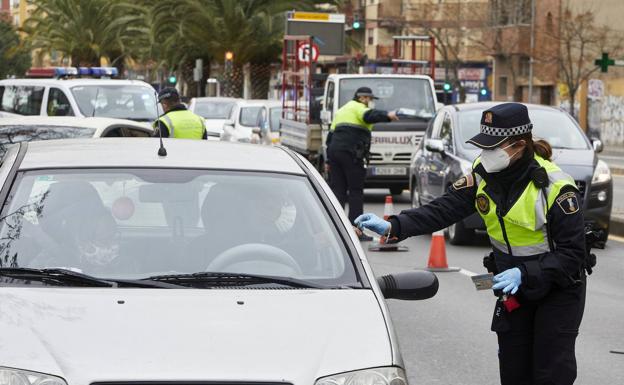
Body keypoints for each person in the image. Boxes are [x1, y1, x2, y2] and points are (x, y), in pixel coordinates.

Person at [355, 103, 587, 385]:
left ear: (518, 145)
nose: (485, 153)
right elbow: (444, 209)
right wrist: (395, 226)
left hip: (557, 289)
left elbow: (573, 255)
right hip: (512, 288)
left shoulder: (555, 188)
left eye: (493, 147)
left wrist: (525, 273)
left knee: (550, 373)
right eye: (484, 146)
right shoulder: (482, 174)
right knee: (514, 372)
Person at [327, 86, 398, 241]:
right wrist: (387, 115)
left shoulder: (342, 110)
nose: (369, 102)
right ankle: (356, 230)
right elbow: (369, 116)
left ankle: (334, 229)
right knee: (355, 191)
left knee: (338, 191)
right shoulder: (359, 108)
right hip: (352, 154)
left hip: (334, 153)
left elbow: (330, 136)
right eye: (367, 98)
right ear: (361, 98)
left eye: (370, 99)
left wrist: (328, 160)